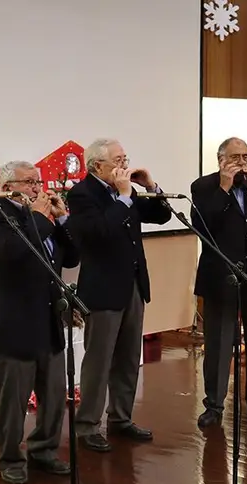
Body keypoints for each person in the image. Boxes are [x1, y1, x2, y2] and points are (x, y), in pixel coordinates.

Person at [68, 138, 173, 451]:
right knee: (99, 361)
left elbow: (162, 216)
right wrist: (125, 198)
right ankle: (87, 425)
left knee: (128, 358)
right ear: (98, 166)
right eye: (118, 160)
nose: (125, 166)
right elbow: (99, 231)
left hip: (133, 286)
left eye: (126, 158)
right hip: (102, 290)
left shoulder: (125, 192)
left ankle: (121, 418)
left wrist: (151, 186)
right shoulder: (82, 194)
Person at [0, 161, 78, 484]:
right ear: (9, 186)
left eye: (38, 181)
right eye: (29, 182)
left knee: (52, 393)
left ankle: (44, 449)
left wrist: (62, 219)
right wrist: (37, 216)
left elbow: (73, 256)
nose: (38, 188)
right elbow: (12, 252)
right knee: (14, 398)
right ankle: (8, 455)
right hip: (15, 323)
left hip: (48, 319)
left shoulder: (44, 219)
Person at [190, 137, 247, 428]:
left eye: (245, 156)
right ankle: (214, 406)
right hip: (221, 278)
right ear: (221, 160)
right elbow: (202, 224)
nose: (242, 162)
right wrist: (224, 188)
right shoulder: (204, 186)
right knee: (218, 344)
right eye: (235, 157)